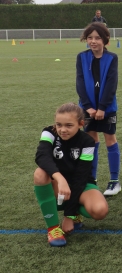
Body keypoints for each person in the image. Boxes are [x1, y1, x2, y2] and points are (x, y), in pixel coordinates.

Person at [34, 103, 109, 247]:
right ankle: (53, 229)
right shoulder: (49, 132)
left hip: (80, 184)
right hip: (57, 184)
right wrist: (60, 178)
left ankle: (76, 214)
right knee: (40, 173)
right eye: (59, 125)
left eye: (69, 125)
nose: (62, 130)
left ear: (81, 124)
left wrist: (69, 215)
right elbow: (41, 156)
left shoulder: (88, 141)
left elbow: (81, 177)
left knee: (100, 210)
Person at [76, 22, 121, 196]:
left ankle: (114, 181)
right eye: (90, 38)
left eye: (97, 38)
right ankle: (92, 180)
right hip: (87, 109)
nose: (93, 41)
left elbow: (111, 84)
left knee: (110, 140)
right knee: (90, 142)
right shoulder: (82, 57)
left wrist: (102, 108)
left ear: (105, 40)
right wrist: (87, 107)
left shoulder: (112, 58)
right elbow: (80, 82)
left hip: (107, 109)